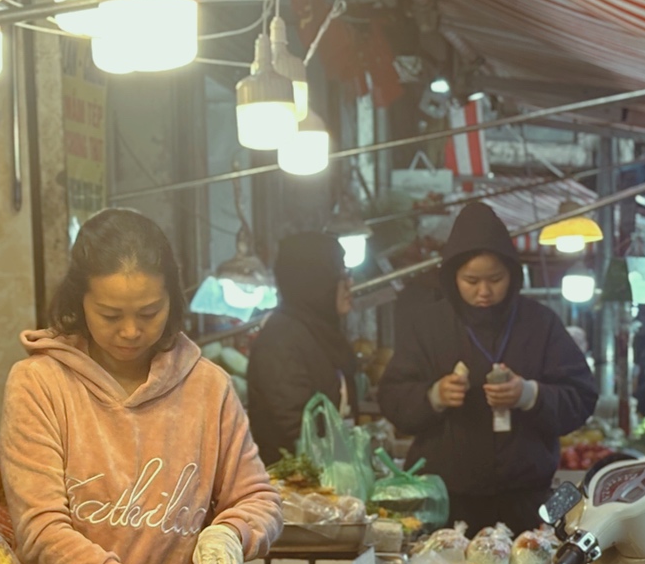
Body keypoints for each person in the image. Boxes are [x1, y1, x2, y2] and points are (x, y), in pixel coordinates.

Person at [0, 208, 282, 564]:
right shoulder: (40, 384)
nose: (131, 331)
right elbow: (40, 530)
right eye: (110, 315)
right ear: (79, 302)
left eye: (149, 312)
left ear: (173, 299)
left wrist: (232, 533)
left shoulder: (207, 387)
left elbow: (258, 498)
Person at [377, 204, 597, 532]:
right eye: (471, 280)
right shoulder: (428, 325)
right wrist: (433, 396)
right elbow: (392, 398)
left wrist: (529, 395)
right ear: (453, 277)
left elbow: (581, 396)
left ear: (513, 274)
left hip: (526, 501)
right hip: (446, 503)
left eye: (495, 279)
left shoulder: (540, 323)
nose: (484, 291)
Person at [245, 231, 356, 465]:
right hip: (295, 489)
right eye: (341, 274)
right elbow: (298, 428)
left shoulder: (320, 333)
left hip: (323, 481)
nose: (350, 284)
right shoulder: (280, 340)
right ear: (316, 282)